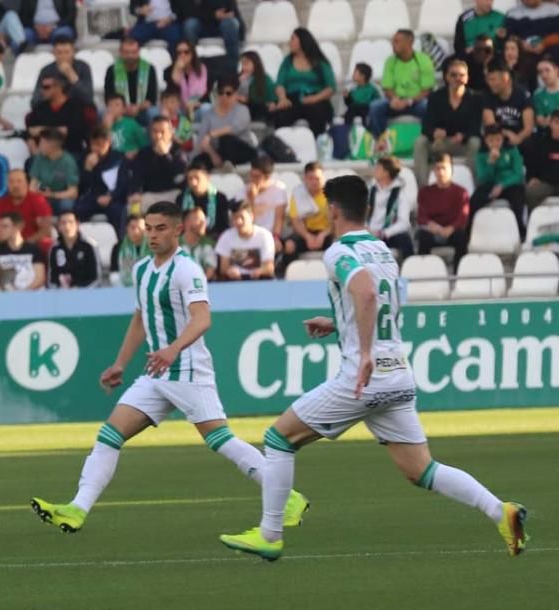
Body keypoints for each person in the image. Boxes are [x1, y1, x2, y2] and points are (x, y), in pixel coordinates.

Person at [218, 175, 527, 561]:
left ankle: (270, 533)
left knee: (279, 439)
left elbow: (364, 291)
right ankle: (501, 511)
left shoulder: (337, 251)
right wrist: (340, 324)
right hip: (397, 372)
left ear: (332, 209)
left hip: (364, 378)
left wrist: (363, 352)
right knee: (421, 470)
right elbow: (382, 302)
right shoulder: (383, 251)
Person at [30, 201, 308, 534]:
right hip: (157, 372)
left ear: (178, 230)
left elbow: (202, 318)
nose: (153, 235)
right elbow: (140, 319)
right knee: (109, 435)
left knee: (221, 439)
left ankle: (287, 496)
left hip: (188, 369)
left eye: (161, 228)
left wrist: (173, 350)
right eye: (148, 228)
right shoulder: (142, 270)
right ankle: (77, 508)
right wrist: (120, 363)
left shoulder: (186, 270)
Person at [413, 56, 482, 188]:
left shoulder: (475, 99)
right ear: (447, 77)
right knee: (420, 142)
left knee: (475, 142)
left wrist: (463, 136)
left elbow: (476, 127)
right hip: (440, 143)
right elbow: (426, 126)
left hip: (463, 144)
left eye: (461, 75)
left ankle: (473, 186)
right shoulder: (435, 97)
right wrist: (434, 132)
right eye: (453, 75)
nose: (457, 78)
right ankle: (422, 188)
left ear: (467, 78)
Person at [366, 30, 435, 139]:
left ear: (409, 42)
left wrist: (409, 101)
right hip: (395, 101)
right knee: (375, 107)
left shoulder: (424, 60)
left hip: (416, 102)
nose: (393, 44)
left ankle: (427, 141)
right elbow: (387, 87)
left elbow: (426, 90)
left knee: (429, 107)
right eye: (393, 41)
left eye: (396, 41)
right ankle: (380, 142)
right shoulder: (390, 61)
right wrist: (394, 99)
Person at [272, 28, 336, 135]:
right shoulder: (287, 62)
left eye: (292, 39)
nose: (289, 42)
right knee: (281, 115)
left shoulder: (319, 62)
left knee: (318, 114)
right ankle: (283, 149)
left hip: (316, 99)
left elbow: (331, 88)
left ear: (303, 41)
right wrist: (282, 99)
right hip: (292, 99)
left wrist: (314, 98)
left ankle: (317, 146)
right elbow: (280, 84)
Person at [119, 118, 187, 213]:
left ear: (171, 133)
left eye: (162, 132)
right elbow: (137, 177)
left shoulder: (178, 151)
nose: (158, 136)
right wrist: (134, 192)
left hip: (173, 194)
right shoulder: (144, 153)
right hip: (150, 195)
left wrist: (165, 156)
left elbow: (179, 178)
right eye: (155, 131)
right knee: (132, 208)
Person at [473, 123, 527, 238]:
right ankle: (470, 232)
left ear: (502, 138)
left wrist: (502, 185)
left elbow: (518, 174)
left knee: (518, 196)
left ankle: (520, 231)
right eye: (491, 140)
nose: (495, 143)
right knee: (474, 200)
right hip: (491, 184)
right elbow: (482, 177)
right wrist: (490, 163)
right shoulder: (481, 154)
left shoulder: (512, 150)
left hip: (509, 185)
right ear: (486, 140)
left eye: (498, 139)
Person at [27, 74, 97, 158]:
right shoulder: (40, 108)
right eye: (42, 87)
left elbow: (73, 131)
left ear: (58, 87)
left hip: (70, 153)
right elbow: (30, 132)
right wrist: (35, 151)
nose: (43, 90)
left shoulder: (75, 106)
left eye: (46, 87)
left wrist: (43, 129)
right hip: (44, 155)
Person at [416, 153, 471, 260]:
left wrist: (451, 228)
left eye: (444, 168)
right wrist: (433, 226)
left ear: (451, 170)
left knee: (462, 237)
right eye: (437, 168)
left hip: (452, 231)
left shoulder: (461, 192)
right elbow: (421, 216)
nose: (440, 172)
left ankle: (458, 274)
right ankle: (424, 272)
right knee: (423, 237)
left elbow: (463, 217)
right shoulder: (425, 192)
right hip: (432, 230)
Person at [195, 77, 256, 168]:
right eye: (221, 93)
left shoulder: (242, 110)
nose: (224, 96)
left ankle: (228, 164)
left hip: (242, 150)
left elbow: (235, 128)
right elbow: (201, 140)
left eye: (228, 93)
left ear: (236, 94)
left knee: (226, 139)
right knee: (199, 161)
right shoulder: (208, 114)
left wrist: (211, 134)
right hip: (218, 152)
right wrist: (213, 155)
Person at [74, 127, 125, 231]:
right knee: (78, 209)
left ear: (108, 142)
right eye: (93, 145)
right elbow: (81, 187)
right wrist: (87, 169)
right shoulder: (85, 157)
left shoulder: (118, 158)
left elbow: (123, 183)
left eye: (100, 145)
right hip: (94, 197)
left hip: (113, 197)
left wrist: (111, 196)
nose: (96, 148)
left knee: (118, 211)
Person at [0, 169, 54, 251]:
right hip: (7, 244)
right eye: (11, 182)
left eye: (19, 181)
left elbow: (46, 230)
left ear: (27, 183)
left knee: (46, 244)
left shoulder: (38, 200)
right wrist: (11, 244)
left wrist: (25, 243)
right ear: (7, 185)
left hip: (32, 243)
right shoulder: (0, 203)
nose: (15, 185)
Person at [366, 157, 415, 260]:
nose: (375, 170)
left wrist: (383, 233)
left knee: (404, 239)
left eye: (378, 168)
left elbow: (404, 223)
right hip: (368, 233)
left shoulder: (400, 194)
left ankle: (409, 270)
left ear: (386, 173)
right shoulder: (370, 191)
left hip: (387, 235)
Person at [284, 162, 332, 263]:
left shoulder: (332, 194)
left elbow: (338, 221)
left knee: (339, 245)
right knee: (289, 245)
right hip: (305, 232)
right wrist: (307, 237)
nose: (314, 182)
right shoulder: (298, 193)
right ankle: (287, 275)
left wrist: (322, 235)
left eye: (317, 179)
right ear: (305, 179)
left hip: (327, 233)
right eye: (311, 178)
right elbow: (295, 220)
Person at [0, 212, 47, 291]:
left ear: (18, 227)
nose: (1, 230)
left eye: (5, 226)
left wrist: (24, 293)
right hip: (7, 296)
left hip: (33, 295)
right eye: (0, 227)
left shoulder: (33, 249)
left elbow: (40, 279)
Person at [215, 202, 275, 280]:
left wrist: (260, 271)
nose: (238, 222)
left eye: (242, 217)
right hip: (234, 280)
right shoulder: (226, 237)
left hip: (259, 279)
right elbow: (223, 268)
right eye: (235, 218)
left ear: (251, 217)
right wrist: (229, 271)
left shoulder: (265, 235)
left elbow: (269, 268)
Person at [482, 58, 535, 149]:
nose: (490, 83)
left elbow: (528, 127)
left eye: (493, 79)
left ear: (505, 78)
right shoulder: (488, 96)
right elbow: (490, 125)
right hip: (497, 139)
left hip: (520, 136)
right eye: (488, 80)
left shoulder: (522, 95)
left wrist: (518, 138)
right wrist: (506, 133)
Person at [105, 38, 159, 124]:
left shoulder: (149, 69)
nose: (130, 56)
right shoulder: (112, 70)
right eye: (126, 52)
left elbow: (152, 99)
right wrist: (124, 109)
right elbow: (108, 97)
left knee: (153, 112)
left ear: (138, 52)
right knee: (103, 113)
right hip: (120, 111)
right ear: (120, 52)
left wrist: (137, 108)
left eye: (133, 52)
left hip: (142, 111)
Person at [182, 0, 245, 71]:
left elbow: (233, 13)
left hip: (223, 27)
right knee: (190, 25)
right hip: (204, 24)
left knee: (230, 23)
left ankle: (232, 66)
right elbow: (195, 12)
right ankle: (192, 63)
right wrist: (214, 15)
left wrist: (242, 37)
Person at [32, 35, 93, 106]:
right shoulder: (46, 70)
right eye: (59, 52)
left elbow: (88, 98)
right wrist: (50, 93)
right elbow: (35, 100)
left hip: (77, 108)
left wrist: (72, 76)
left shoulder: (83, 67)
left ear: (73, 52)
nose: (63, 56)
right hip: (53, 109)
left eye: (67, 52)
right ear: (54, 53)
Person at [29, 128, 80, 213]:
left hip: (60, 197)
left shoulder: (68, 162)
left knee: (66, 204)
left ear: (52, 145)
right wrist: (42, 190)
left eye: (42, 143)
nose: (39, 145)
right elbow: (33, 185)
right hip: (43, 195)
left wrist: (53, 195)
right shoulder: (39, 158)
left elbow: (73, 192)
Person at [177, 160, 231, 236]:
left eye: (197, 178)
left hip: (213, 239)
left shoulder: (219, 198)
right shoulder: (181, 198)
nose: (193, 183)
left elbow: (223, 226)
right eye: (190, 179)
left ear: (207, 177)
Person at [48, 211, 100, 288]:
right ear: (58, 227)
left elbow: (96, 278)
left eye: (71, 222)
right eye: (63, 223)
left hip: (86, 293)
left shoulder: (89, 246)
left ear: (77, 224)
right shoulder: (54, 248)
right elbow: (52, 279)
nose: (67, 226)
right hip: (61, 294)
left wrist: (79, 290)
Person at [165, 42, 213, 115]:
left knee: (206, 108)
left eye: (186, 52)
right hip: (179, 108)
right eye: (179, 52)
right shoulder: (168, 71)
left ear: (192, 54)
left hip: (198, 106)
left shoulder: (202, 69)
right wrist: (177, 70)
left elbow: (206, 91)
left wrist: (194, 103)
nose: (183, 55)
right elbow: (172, 94)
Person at [245, 155, 286, 237]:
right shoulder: (244, 191)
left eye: (257, 177)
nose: (252, 179)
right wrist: (251, 200)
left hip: (270, 235)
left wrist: (276, 237)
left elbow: (279, 217)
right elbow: (244, 220)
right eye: (251, 175)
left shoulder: (278, 189)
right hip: (250, 235)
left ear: (268, 177)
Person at [526, 112, 559, 209]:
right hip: (546, 184)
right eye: (557, 123)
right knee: (530, 192)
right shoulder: (540, 142)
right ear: (550, 123)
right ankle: (534, 221)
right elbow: (531, 164)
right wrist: (531, 177)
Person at [238, 50, 276, 124]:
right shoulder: (239, 79)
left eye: (246, 64)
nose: (244, 67)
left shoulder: (265, 79)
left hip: (259, 108)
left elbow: (271, 99)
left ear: (255, 63)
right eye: (242, 64)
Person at [180, 205, 217, 279]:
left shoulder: (209, 243)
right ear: (186, 222)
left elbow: (211, 269)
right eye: (199, 219)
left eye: (204, 219)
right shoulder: (174, 245)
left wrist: (198, 286)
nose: (203, 223)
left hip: (205, 286)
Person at [110, 214, 148, 285]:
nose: (136, 232)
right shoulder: (118, 247)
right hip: (124, 287)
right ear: (126, 228)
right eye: (133, 228)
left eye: (140, 228)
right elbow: (114, 272)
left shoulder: (154, 247)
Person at [160, 88, 196, 153]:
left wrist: (175, 139)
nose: (168, 105)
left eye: (172, 102)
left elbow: (189, 145)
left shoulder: (184, 122)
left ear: (178, 104)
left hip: (181, 155)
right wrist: (165, 120)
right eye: (165, 102)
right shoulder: (157, 122)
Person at [533, 57, 559, 131]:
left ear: (556, 70)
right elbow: (541, 121)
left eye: (547, 70)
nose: (544, 75)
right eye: (540, 72)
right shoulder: (538, 95)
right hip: (550, 134)